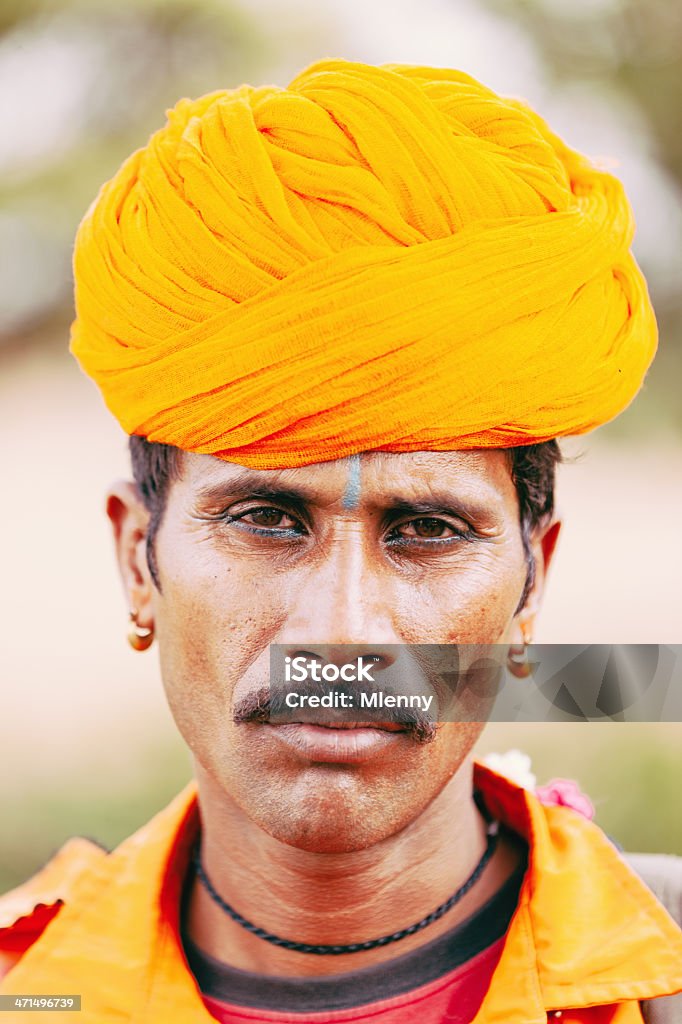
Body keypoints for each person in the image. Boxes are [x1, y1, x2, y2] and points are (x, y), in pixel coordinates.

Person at [1, 60, 680, 1023]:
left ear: (532, 587)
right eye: (265, 519)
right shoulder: (30, 993)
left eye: (429, 530)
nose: (344, 627)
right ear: (136, 562)